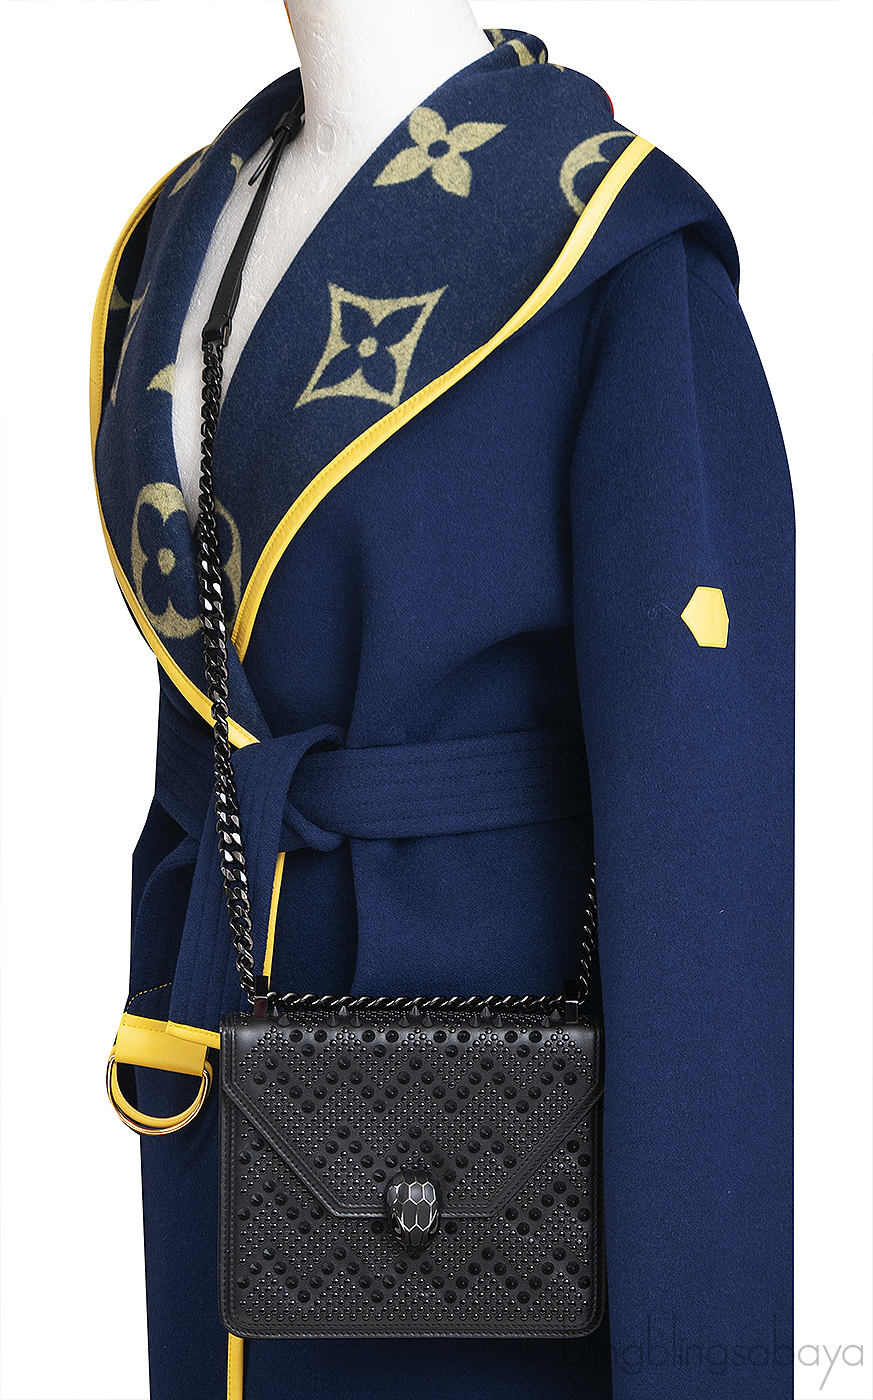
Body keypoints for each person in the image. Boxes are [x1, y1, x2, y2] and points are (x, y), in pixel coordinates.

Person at [92, 4, 794, 1396]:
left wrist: (701, 1350)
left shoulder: (615, 249)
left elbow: (705, 835)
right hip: (222, 1045)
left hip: (490, 1098)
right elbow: (201, 708)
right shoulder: (183, 231)